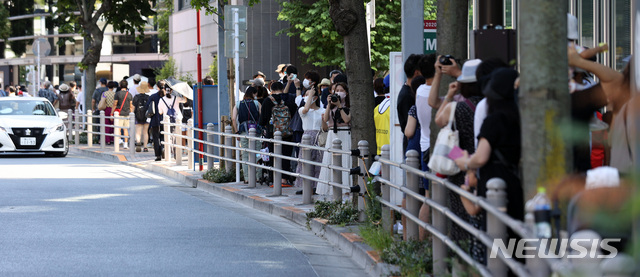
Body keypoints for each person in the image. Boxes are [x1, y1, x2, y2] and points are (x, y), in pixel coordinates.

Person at [454, 68, 524, 266]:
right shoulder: (519, 117)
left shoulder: (493, 120)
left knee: (494, 238)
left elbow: (481, 157)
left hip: (493, 178)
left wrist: (465, 162)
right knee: (512, 238)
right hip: (513, 179)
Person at [259, 81, 298, 187]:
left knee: (274, 154)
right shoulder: (288, 99)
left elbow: (262, 119)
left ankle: (274, 177)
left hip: (272, 132)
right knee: (286, 155)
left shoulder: (268, 100)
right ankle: (284, 179)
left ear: (271, 89)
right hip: (287, 132)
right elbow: (295, 113)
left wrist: (264, 126)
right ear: (282, 88)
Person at [317, 82, 351, 197]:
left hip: (345, 134)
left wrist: (340, 106)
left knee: (345, 161)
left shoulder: (349, 106)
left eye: (342, 90)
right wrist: (329, 104)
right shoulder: (331, 106)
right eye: (336, 91)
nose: (339, 93)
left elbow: (346, 120)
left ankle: (346, 188)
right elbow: (326, 119)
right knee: (330, 161)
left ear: (346, 93)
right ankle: (330, 188)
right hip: (332, 135)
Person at [294, 77, 325, 193]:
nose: (307, 97)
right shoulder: (302, 109)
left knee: (318, 162)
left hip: (319, 137)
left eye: (310, 95)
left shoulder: (322, 110)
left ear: (316, 98)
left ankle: (317, 186)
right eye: (306, 95)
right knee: (305, 162)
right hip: (307, 137)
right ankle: (306, 186)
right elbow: (306, 109)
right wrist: (310, 94)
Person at [232, 86, 262, 183]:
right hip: (255, 132)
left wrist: (237, 132)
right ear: (253, 94)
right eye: (256, 94)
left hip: (243, 131)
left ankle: (247, 178)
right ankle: (258, 176)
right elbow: (262, 117)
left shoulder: (238, 104)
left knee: (245, 154)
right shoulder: (257, 103)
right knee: (257, 153)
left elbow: (233, 118)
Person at [397, 54, 423, 155]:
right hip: (414, 149)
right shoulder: (407, 95)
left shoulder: (408, 91)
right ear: (416, 72)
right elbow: (408, 129)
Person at [113, 80, 133, 148]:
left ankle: (119, 140)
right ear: (127, 86)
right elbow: (131, 105)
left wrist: (111, 113)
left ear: (120, 85)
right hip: (127, 113)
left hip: (119, 113)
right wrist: (131, 113)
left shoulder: (117, 94)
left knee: (118, 128)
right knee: (125, 129)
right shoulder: (129, 94)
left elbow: (115, 104)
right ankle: (126, 143)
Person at [133, 81, 151, 152]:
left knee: (138, 131)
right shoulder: (148, 97)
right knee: (145, 132)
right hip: (146, 116)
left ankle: (138, 143)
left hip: (138, 115)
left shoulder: (136, 97)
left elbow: (133, 107)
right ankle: (145, 147)